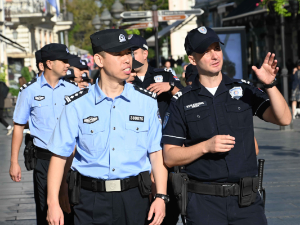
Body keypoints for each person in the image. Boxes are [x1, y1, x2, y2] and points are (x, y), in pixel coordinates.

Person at [162, 26, 291, 225]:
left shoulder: (243, 90)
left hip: (246, 201)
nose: (214, 55)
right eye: (206, 51)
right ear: (192, 59)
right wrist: (205, 146)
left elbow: (284, 119)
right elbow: (169, 156)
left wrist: (271, 84)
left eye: (216, 48)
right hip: (204, 203)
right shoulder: (182, 101)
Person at [46, 29, 168, 225]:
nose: (127, 59)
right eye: (118, 54)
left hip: (134, 198)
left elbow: (156, 152)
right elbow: (59, 156)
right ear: (99, 60)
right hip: (90, 200)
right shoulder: (77, 104)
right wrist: (53, 202)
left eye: (128, 52)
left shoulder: (145, 101)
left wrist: (161, 196)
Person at [9, 43, 79, 225]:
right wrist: (14, 162)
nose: (67, 65)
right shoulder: (29, 91)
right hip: (44, 161)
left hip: (71, 160)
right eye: (63, 61)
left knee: (72, 210)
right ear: (48, 63)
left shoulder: (73, 90)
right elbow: (18, 126)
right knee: (46, 212)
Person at [127, 34, 183, 121]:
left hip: (163, 132)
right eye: (127, 53)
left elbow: (186, 99)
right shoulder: (123, 81)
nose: (130, 57)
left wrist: (171, 87)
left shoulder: (165, 75)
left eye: (133, 53)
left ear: (145, 54)